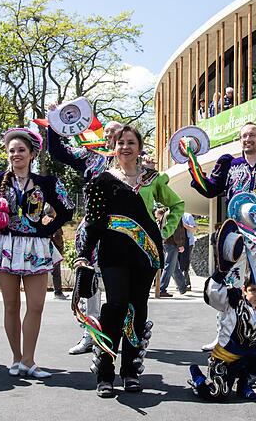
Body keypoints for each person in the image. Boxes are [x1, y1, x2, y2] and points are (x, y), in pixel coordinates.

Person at [76, 125, 184, 398]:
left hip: (145, 255)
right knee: (115, 306)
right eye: (121, 142)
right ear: (114, 146)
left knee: (138, 308)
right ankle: (104, 372)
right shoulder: (103, 180)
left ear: (139, 147)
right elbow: (93, 222)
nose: (125, 147)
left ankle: (131, 371)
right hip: (113, 252)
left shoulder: (153, 179)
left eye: (131, 142)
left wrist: (163, 232)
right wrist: (84, 254)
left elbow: (177, 205)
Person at [0, 128, 74, 379]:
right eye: (11, 151)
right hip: (5, 246)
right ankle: (16, 358)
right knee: (11, 305)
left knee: (36, 305)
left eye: (21, 150)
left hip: (35, 247)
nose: (16, 154)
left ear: (32, 154)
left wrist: (48, 230)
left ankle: (29, 360)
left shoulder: (48, 183)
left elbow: (67, 209)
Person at [189, 121, 256, 352]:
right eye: (244, 136)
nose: (248, 139)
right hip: (234, 236)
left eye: (252, 135)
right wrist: (193, 165)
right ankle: (224, 336)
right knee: (231, 285)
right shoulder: (230, 165)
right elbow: (210, 188)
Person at [47, 118, 121, 355]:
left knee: (120, 283)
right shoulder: (91, 156)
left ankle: (120, 335)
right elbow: (58, 151)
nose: (110, 136)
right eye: (107, 132)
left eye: (116, 133)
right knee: (89, 281)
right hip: (92, 229)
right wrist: (55, 123)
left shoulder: (133, 161)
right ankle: (91, 334)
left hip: (123, 231)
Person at [188, 256, 256, 401]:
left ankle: (245, 383)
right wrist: (222, 270)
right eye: (253, 290)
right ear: (244, 290)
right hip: (225, 359)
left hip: (249, 359)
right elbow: (213, 293)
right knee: (216, 395)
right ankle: (197, 376)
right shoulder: (233, 302)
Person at [159, 208, 188, 297]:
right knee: (169, 266)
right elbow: (177, 230)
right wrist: (180, 244)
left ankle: (182, 287)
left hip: (167, 242)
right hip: (172, 243)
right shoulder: (174, 214)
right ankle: (161, 289)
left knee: (173, 266)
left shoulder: (166, 214)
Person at [43, 206, 69, 300]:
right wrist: (61, 248)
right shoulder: (53, 221)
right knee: (56, 273)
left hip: (43, 250)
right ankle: (58, 292)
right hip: (53, 250)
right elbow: (57, 237)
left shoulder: (42, 220)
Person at [178, 212, 197, 292]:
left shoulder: (187, 216)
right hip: (177, 243)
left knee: (185, 264)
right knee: (178, 264)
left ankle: (187, 284)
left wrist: (184, 225)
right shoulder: (173, 215)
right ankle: (181, 284)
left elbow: (194, 229)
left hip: (188, 243)